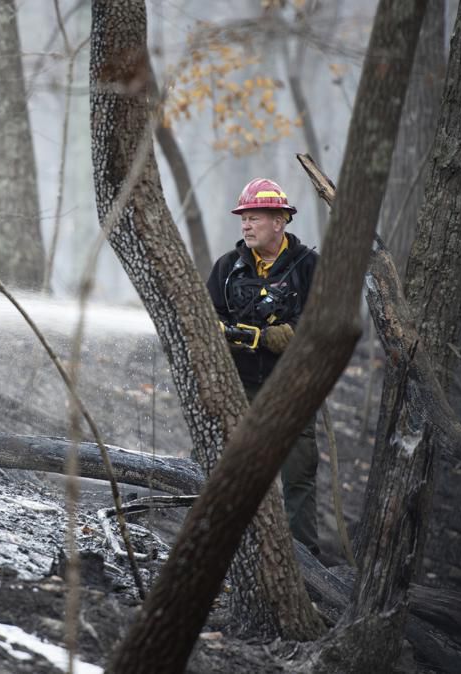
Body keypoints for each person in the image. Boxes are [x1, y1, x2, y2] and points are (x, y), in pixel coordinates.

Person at [206, 178, 320, 555]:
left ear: (280, 220)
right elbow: (208, 316)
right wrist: (223, 332)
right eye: (243, 219)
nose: (246, 226)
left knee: (298, 476)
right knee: (229, 469)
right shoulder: (227, 267)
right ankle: (221, 550)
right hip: (239, 385)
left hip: (292, 388)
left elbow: (328, 322)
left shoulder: (309, 267)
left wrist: (288, 334)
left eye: (254, 218)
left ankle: (304, 564)